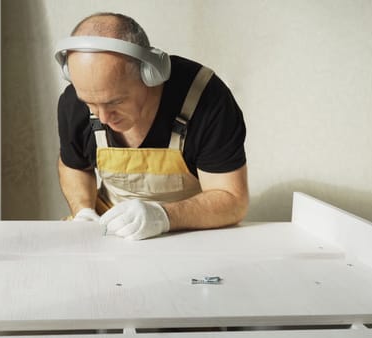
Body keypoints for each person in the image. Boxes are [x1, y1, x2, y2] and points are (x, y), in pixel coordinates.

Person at [54, 12, 248, 240]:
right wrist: (83, 211)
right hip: (111, 230)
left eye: (115, 102)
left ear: (150, 74)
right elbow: (74, 165)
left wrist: (163, 216)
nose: (104, 118)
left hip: (188, 231)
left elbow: (232, 200)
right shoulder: (73, 101)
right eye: (91, 104)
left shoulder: (204, 98)